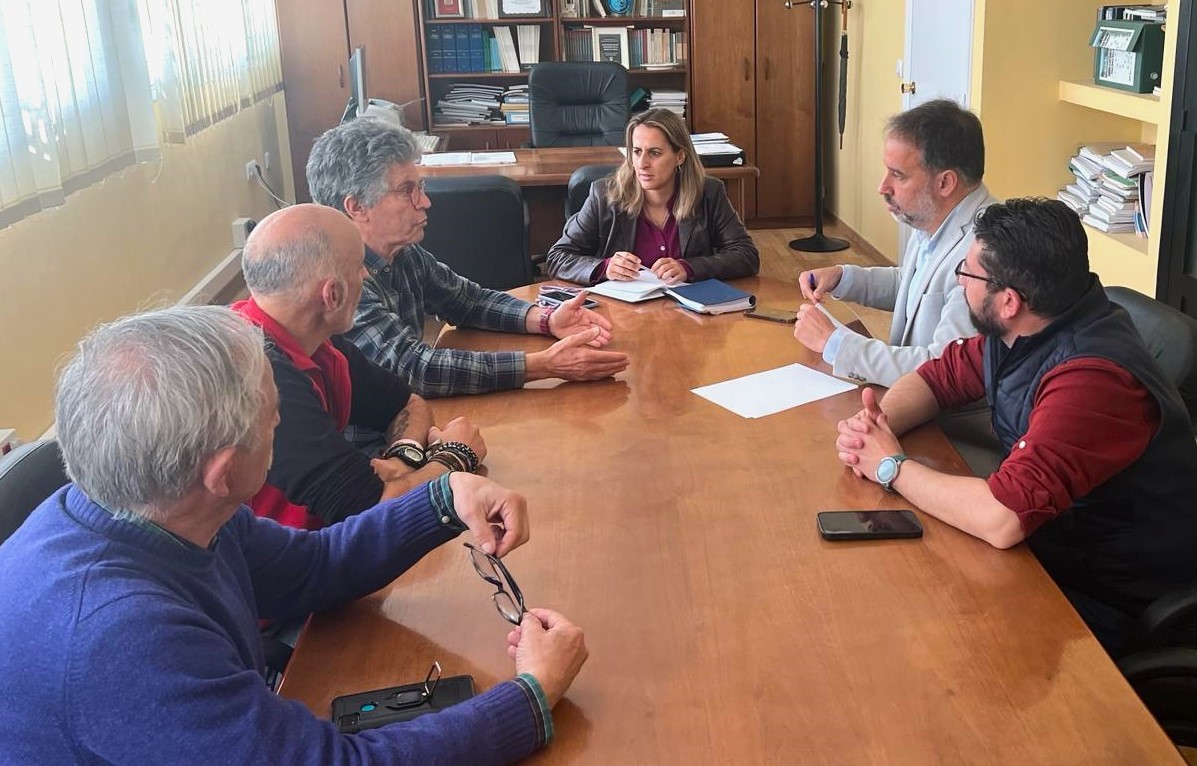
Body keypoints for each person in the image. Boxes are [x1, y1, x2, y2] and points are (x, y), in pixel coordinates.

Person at [0, 305, 588, 764]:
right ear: (224, 471)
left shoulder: (150, 501)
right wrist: (532, 695)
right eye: (272, 412)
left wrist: (444, 496)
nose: (281, 419)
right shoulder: (120, 636)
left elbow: (311, 567)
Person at [834, 198, 1197, 655]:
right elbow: (937, 377)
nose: (958, 281)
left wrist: (891, 466)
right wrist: (877, 425)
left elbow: (1002, 519)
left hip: (1109, 592)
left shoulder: (1092, 380)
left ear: (1008, 301)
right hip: (1054, 541)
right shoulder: (1028, 326)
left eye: (967, 274)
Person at [306, 118, 628, 398]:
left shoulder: (403, 254)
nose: (425, 202)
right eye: (407, 190)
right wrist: (543, 365)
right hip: (367, 447)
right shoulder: (339, 283)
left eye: (421, 186)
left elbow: (467, 300)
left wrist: (545, 319)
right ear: (357, 207)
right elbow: (414, 369)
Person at [235, 204, 486, 531]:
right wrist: (456, 456)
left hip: (327, 544)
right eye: (358, 266)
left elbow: (407, 402)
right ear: (332, 295)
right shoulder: (261, 380)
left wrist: (401, 458)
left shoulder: (313, 338)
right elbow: (372, 510)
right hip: (290, 569)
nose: (366, 275)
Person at [794, 99, 998, 474]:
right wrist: (844, 276)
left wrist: (835, 343)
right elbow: (916, 284)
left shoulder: (983, 250)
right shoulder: (939, 217)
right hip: (912, 406)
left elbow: (940, 369)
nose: (882, 187)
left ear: (945, 182)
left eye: (897, 176)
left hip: (955, 433)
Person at [544, 108, 759, 286]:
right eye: (637, 152)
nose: (642, 163)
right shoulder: (604, 196)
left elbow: (746, 256)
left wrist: (689, 267)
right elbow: (558, 258)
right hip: (622, 315)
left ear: (680, 156)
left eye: (654, 153)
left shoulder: (709, 193)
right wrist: (605, 267)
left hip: (689, 312)